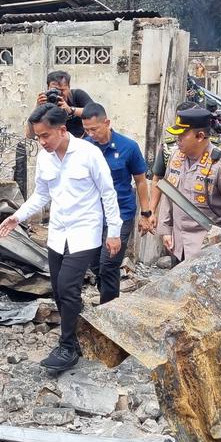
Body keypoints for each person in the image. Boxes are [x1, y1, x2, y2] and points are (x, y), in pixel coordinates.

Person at [0, 104, 120, 374]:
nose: (41, 142)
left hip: (85, 232)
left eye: (45, 135)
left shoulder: (88, 153)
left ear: (62, 130)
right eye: (37, 137)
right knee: (59, 289)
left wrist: (113, 232)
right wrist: (17, 216)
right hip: (57, 233)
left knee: (67, 287)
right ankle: (74, 337)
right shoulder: (45, 159)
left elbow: (108, 193)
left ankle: (67, 348)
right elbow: (41, 195)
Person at [155, 107, 221, 262]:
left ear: (200, 136)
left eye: (182, 135)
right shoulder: (175, 157)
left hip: (206, 245)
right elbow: (169, 195)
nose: (178, 139)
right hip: (177, 242)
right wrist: (165, 230)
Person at [81, 102, 149, 304]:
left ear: (107, 123)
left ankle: (108, 308)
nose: (91, 134)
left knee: (109, 264)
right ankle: (110, 300)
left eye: (94, 129)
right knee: (95, 263)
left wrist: (146, 213)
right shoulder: (85, 147)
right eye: (86, 130)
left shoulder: (128, 147)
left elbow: (141, 181)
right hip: (93, 214)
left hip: (121, 213)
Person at [34, 71, 94, 138]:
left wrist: (71, 110)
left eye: (62, 90)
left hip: (82, 139)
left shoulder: (77, 95)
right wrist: (37, 108)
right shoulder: (45, 101)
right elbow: (30, 134)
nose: (59, 94)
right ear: (48, 88)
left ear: (69, 88)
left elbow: (94, 112)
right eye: (54, 90)